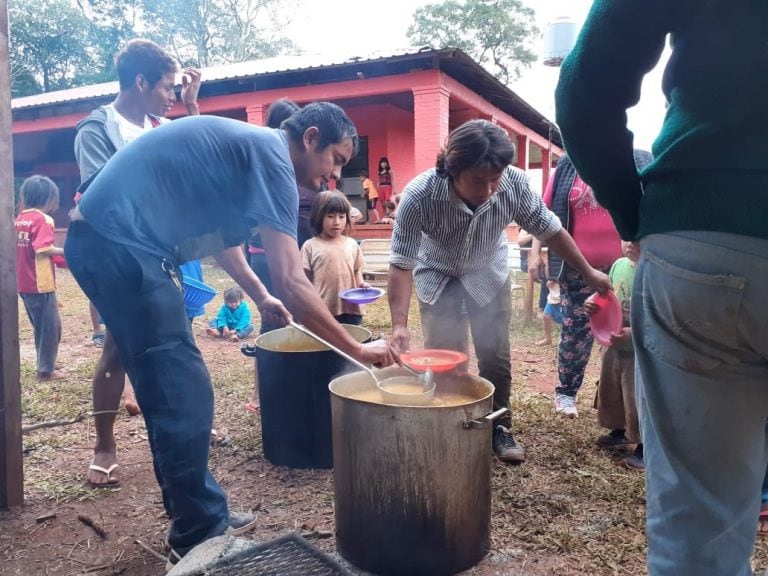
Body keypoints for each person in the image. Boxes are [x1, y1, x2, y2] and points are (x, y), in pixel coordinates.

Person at [64, 102, 398, 568]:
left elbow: (225, 240)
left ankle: (200, 516)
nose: (334, 175)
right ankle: (198, 536)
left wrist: (260, 296)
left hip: (114, 242)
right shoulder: (274, 158)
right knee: (181, 388)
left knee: (176, 386)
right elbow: (292, 276)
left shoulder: (252, 153)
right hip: (118, 243)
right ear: (310, 138)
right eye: (336, 159)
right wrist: (357, 346)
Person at [555, 2, 768, 573]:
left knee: (697, 531)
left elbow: (584, 90)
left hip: (701, 242)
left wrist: (635, 215)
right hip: (702, 244)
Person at [388, 119, 611, 464]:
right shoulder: (419, 196)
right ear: (452, 169)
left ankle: (499, 426)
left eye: (496, 179)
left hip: (487, 274)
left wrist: (589, 273)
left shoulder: (514, 185)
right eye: (479, 180)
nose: (491, 188)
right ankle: (449, 423)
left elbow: (551, 231)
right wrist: (399, 324)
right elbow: (401, 264)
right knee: (444, 355)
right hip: (436, 273)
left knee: (495, 355)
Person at [73, 38, 202, 489]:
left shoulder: (158, 127)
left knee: (171, 346)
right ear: (141, 82)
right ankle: (104, 444)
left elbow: (195, 162)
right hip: (116, 259)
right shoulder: (96, 130)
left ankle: (177, 439)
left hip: (160, 256)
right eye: (168, 86)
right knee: (118, 347)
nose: (172, 94)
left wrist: (192, 105)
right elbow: (100, 198)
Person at [529, 150, 650, 419]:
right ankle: (566, 392)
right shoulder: (570, 165)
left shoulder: (638, 162)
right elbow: (542, 213)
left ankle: (617, 402)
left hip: (625, 268)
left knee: (624, 335)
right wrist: (536, 252)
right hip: (577, 268)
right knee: (576, 332)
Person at [584, 241, 642, 470]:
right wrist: (591, 303)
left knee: (636, 396)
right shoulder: (618, 265)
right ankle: (619, 430)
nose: (631, 244)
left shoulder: (653, 271)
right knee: (612, 387)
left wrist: (633, 333)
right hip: (612, 340)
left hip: (638, 348)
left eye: (638, 238)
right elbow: (608, 296)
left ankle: (644, 447)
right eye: (626, 237)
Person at [15, 175, 64, 381]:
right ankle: (45, 371)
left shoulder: (19, 219)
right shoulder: (43, 220)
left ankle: (46, 361)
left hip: (22, 283)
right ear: (50, 198)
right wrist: (67, 251)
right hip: (39, 283)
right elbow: (43, 248)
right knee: (50, 328)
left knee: (42, 326)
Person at [301, 190, 368, 326]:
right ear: (319, 217)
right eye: (330, 216)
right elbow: (304, 279)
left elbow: (356, 270)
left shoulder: (352, 244)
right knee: (325, 346)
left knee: (353, 341)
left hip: (351, 309)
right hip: (322, 311)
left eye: (342, 217)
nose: (336, 222)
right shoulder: (310, 246)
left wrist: (361, 284)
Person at [517, 228, 552, 346]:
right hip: (527, 261)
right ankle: (542, 308)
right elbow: (520, 241)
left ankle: (550, 308)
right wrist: (535, 234)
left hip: (544, 260)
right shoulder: (525, 227)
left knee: (548, 272)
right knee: (545, 274)